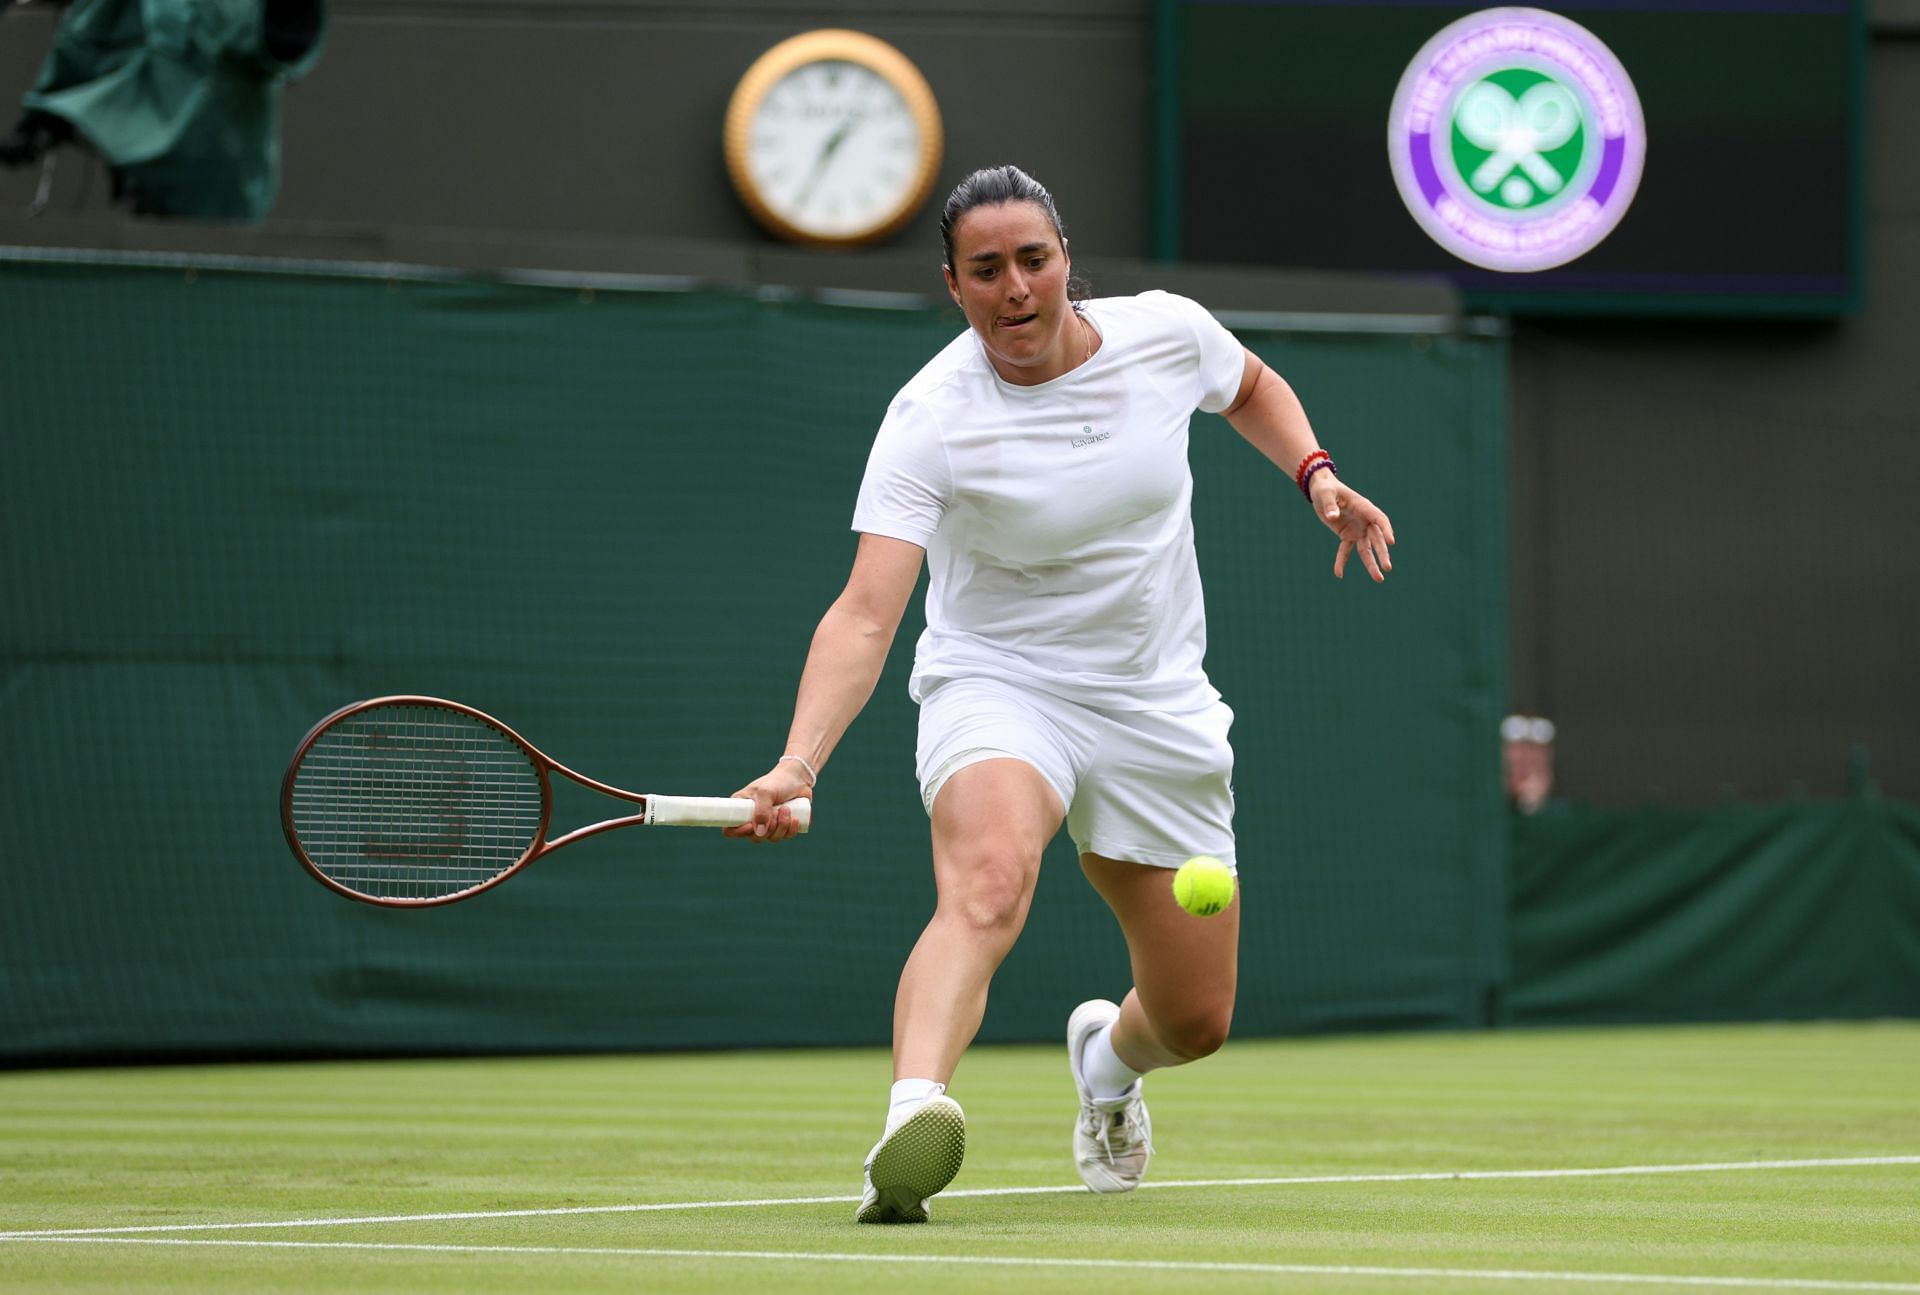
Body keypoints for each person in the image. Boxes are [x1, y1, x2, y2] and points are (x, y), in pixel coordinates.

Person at [726, 165, 1396, 1224]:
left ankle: (1106, 1061)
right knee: (989, 880)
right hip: (1000, 683)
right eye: (986, 270)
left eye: (1033, 260)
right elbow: (865, 612)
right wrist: (798, 761)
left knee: (1195, 1019)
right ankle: (910, 1118)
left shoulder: (1165, 334)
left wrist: (1315, 472)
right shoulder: (930, 417)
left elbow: (1253, 385)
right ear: (954, 286)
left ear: (1067, 260)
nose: (1016, 288)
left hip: (1155, 700)